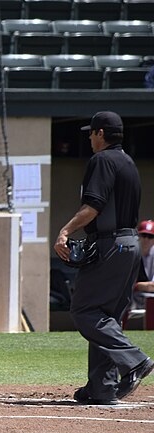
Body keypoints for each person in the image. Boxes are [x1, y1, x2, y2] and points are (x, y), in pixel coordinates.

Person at [53, 111, 153, 405]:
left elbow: (93, 206)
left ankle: (134, 360)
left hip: (111, 245)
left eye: (91, 132)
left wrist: (66, 230)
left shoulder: (102, 160)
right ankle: (103, 388)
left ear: (100, 134)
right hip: (129, 244)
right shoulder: (129, 162)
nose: (88, 137)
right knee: (105, 315)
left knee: (83, 310)